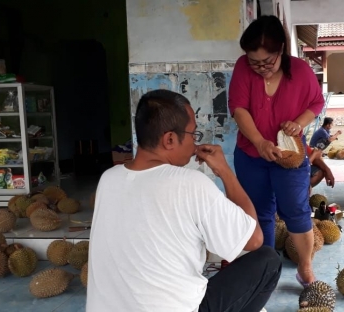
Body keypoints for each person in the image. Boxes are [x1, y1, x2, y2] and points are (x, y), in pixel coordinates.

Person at [87, 90, 281, 312]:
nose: (194, 144)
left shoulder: (108, 178)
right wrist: (225, 171)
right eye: (193, 135)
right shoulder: (190, 183)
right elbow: (254, 240)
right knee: (268, 260)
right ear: (169, 139)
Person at [228, 15, 324, 286]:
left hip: (291, 157)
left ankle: (305, 267)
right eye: (254, 62)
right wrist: (259, 142)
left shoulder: (301, 71)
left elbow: (316, 102)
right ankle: (265, 272)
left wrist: (299, 123)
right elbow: (239, 108)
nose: (260, 68)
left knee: (296, 210)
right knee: (259, 214)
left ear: (281, 51)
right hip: (250, 155)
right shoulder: (242, 69)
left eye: (267, 62)